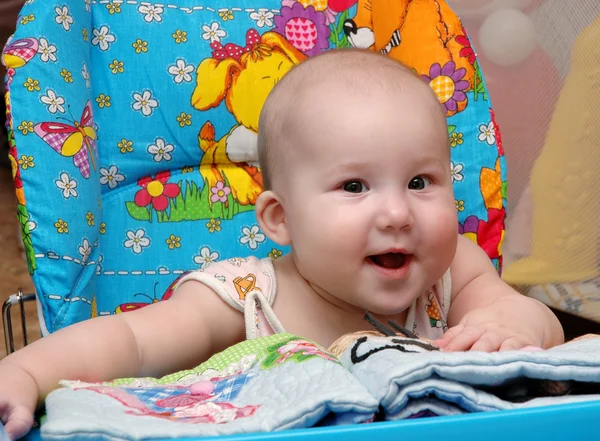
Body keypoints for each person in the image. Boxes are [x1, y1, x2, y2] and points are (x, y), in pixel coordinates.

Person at [0, 49, 564, 440]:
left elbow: (539, 321)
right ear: (280, 218)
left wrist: (510, 327)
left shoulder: (452, 271)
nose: (397, 213)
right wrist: (25, 375)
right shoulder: (248, 296)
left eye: (420, 182)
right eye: (354, 186)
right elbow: (130, 342)